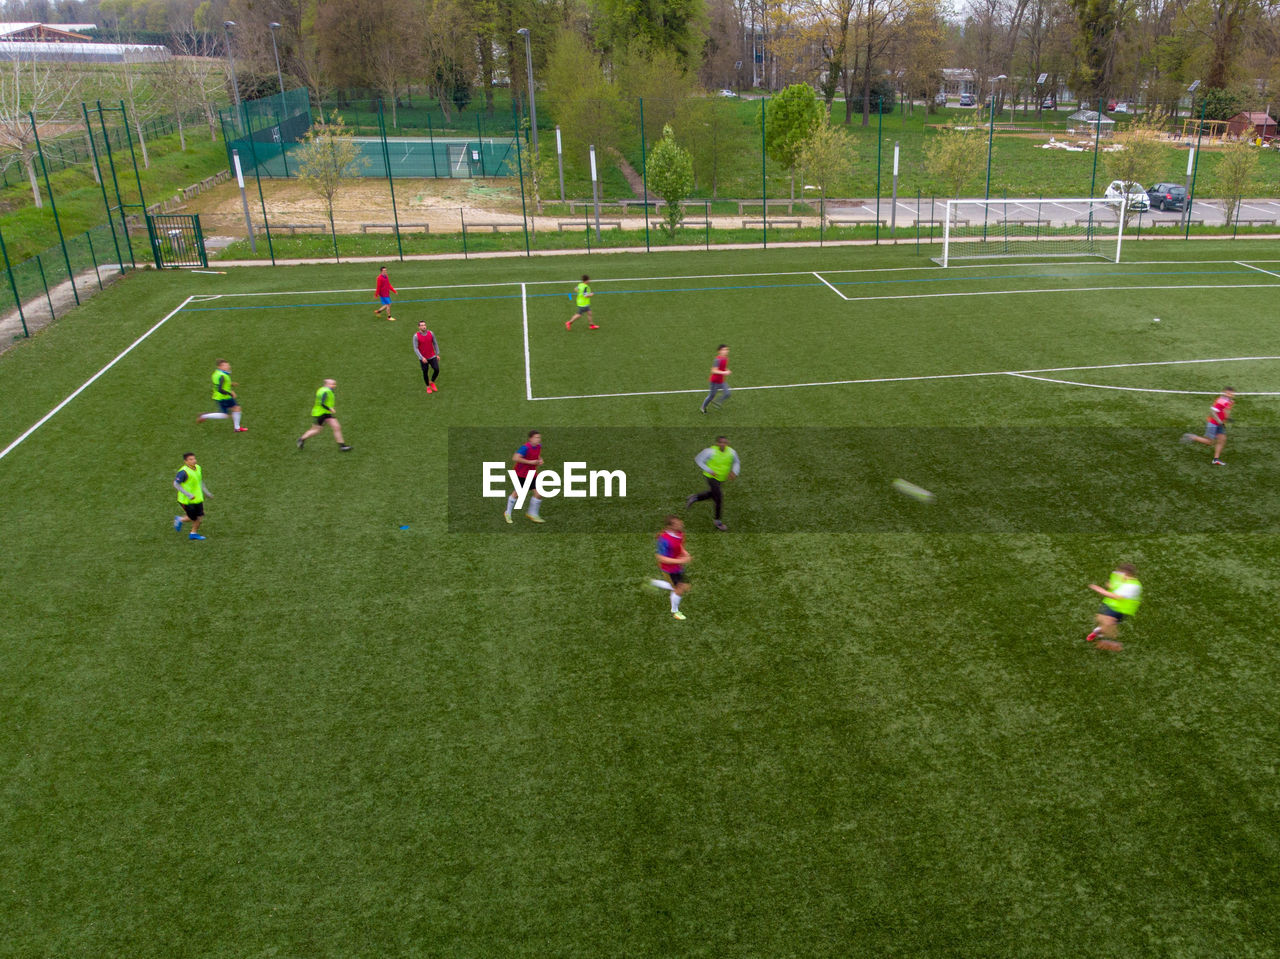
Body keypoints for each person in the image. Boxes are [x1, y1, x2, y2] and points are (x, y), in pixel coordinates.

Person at [687, 435, 739, 531]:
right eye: (720, 442)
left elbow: (736, 462)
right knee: (719, 498)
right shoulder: (710, 451)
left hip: (721, 478)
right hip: (711, 477)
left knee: (713, 494)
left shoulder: (732, 452)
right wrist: (709, 470)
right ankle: (718, 521)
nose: (722, 444)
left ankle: (695, 497)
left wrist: (734, 471)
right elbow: (698, 459)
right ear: (717, 443)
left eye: (725, 442)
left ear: (727, 443)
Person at [1085, 563, 1142, 645]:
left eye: (1121, 573)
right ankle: (1100, 632)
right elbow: (1112, 584)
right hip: (1110, 604)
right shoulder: (1117, 575)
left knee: (1108, 624)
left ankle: (1104, 636)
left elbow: (1117, 596)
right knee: (1102, 620)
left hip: (1121, 609)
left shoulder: (1132, 586)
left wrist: (1101, 591)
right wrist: (1110, 585)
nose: (1118, 574)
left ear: (1126, 574)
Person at [648, 515, 692, 620]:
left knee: (684, 587)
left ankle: (652, 582)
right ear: (671, 527)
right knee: (679, 589)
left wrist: (685, 553)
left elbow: (679, 545)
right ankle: (675, 611)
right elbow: (660, 558)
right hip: (669, 569)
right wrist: (680, 560)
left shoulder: (680, 533)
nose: (681, 524)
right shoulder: (664, 539)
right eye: (677, 524)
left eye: (680, 522)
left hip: (678, 567)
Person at [1182, 387, 1235, 465]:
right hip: (1213, 423)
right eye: (1228, 393)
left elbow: (1224, 411)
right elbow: (1213, 413)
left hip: (1219, 424)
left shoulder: (1230, 401)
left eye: (1231, 393)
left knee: (1222, 439)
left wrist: (1227, 418)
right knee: (1210, 442)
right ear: (1224, 393)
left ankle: (1216, 459)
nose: (1230, 395)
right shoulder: (1221, 401)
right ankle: (1192, 437)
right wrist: (1220, 422)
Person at [297, 379, 352, 451]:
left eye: (334, 384)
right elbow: (322, 403)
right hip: (320, 413)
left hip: (326, 413)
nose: (334, 386)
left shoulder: (323, 389)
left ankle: (342, 446)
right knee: (316, 430)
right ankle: (301, 439)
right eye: (332, 384)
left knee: (337, 427)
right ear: (327, 384)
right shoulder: (325, 391)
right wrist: (330, 409)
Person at [504, 430, 545, 524]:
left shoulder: (539, 446)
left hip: (532, 474)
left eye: (539, 437)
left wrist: (540, 459)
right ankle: (507, 513)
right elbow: (515, 458)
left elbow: (537, 455)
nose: (538, 439)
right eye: (536, 437)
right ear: (530, 439)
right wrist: (531, 462)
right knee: (517, 494)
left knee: (539, 493)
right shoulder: (525, 448)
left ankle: (532, 513)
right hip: (521, 474)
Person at [197, 359, 248, 432]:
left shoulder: (216, 373)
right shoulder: (222, 376)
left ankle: (237, 428)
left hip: (221, 396)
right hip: (223, 397)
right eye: (226, 365)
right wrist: (231, 393)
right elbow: (220, 389)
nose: (228, 366)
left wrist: (231, 384)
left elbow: (220, 383)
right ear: (220, 366)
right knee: (225, 415)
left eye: (228, 364)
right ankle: (204, 416)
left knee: (237, 408)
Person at [172, 451, 210, 540]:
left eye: (194, 458)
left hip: (197, 498)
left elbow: (199, 481)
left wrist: (206, 492)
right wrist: (188, 495)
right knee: (194, 518)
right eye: (191, 459)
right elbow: (176, 484)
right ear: (186, 461)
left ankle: (193, 533)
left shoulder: (198, 468)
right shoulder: (183, 472)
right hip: (186, 500)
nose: (194, 461)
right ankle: (180, 519)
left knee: (199, 518)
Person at [700, 344, 731, 413]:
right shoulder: (717, 360)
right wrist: (724, 373)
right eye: (724, 350)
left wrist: (727, 370)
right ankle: (703, 407)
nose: (726, 351)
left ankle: (717, 402)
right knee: (711, 396)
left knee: (728, 393)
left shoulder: (726, 359)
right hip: (714, 382)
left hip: (721, 381)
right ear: (719, 351)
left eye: (727, 350)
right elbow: (713, 370)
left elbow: (723, 368)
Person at [414, 321, 440, 393]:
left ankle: (432, 382)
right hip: (423, 358)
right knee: (425, 372)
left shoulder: (431, 333)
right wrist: (422, 357)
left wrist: (437, 354)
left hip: (432, 356)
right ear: (419, 327)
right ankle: (428, 386)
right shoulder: (416, 336)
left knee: (437, 369)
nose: (424, 326)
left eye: (424, 325)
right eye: (422, 325)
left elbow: (435, 343)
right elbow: (415, 348)